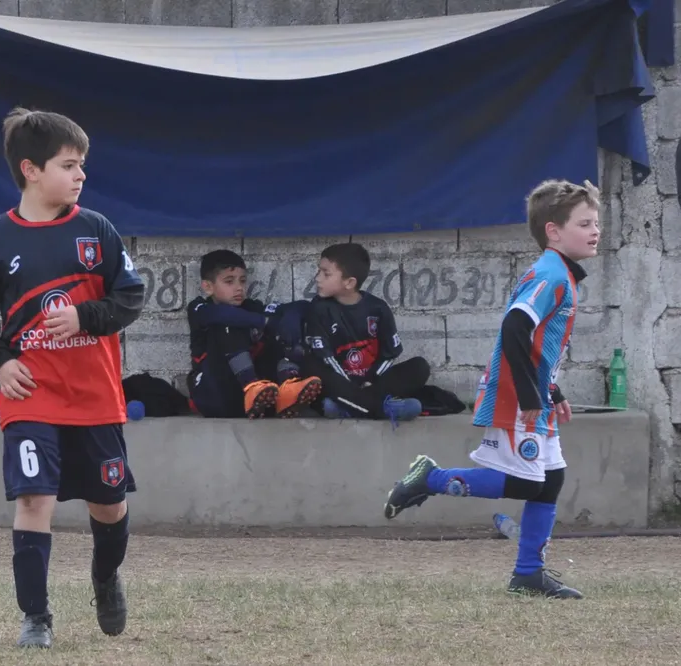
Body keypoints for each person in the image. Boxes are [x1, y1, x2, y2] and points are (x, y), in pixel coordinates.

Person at [0, 107, 145, 649]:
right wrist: (0, 361)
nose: (81, 174)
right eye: (69, 164)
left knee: (109, 505)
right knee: (33, 500)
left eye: (82, 164)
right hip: (30, 395)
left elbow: (130, 297)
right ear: (31, 170)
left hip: (95, 395)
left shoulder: (96, 229)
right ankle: (36, 617)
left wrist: (84, 317)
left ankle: (105, 577)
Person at [383, 179, 602, 599]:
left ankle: (528, 575)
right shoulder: (551, 274)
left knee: (550, 480)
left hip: (533, 394)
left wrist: (551, 391)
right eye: (584, 223)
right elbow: (515, 328)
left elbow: (537, 345)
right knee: (526, 484)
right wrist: (531, 395)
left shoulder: (560, 273)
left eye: (596, 223)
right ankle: (430, 478)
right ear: (553, 231)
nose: (595, 231)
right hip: (517, 397)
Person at [302, 242, 429, 424]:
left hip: (371, 382)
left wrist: (370, 379)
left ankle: (348, 407)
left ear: (349, 282)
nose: (317, 278)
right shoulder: (319, 309)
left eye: (326, 274)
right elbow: (326, 358)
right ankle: (382, 409)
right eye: (318, 271)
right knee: (310, 366)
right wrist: (350, 384)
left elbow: (390, 354)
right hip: (340, 382)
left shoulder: (378, 309)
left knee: (420, 367)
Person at [186, 249, 322, 419]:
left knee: (285, 324)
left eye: (242, 281)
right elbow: (221, 315)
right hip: (214, 397)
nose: (239, 288)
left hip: (255, 400)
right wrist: (265, 321)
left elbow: (300, 306)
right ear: (208, 287)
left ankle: (288, 385)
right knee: (230, 319)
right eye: (229, 281)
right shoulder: (200, 308)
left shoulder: (250, 306)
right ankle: (250, 384)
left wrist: (291, 317)